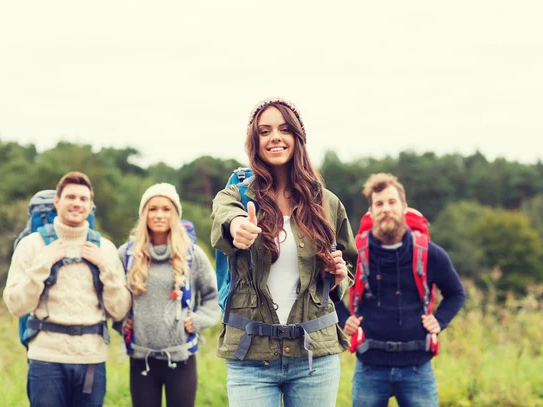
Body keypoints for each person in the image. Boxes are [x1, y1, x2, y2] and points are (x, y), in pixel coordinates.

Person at [211, 97, 358, 407]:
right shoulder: (235, 195)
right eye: (264, 131)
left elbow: (348, 271)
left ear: (297, 137)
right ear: (254, 141)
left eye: (283, 129)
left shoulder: (327, 203)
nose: (274, 137)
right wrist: (237, 226)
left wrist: (338, 274)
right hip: (250, 356)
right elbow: (224, 220)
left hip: (314, 356)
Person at [3, 171, 132, 407]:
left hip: (91, 359)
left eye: (83, 199)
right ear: (57, 201)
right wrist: (43, 263)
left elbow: (120, 310)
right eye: (70, 197)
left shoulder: (105, 248)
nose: (76, 203)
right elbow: (15, 304)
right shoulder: (32, 245)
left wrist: (105, 267)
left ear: (91, 205)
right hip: (46, 358)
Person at [339, 173, 466, 407]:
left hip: (417, 368)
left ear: (404, 207)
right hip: (370, 366)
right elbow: (327, 290)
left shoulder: (430, 253)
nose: (386, 209)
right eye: (379, 204)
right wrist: (343, 318)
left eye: (391, 202)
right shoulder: (355, 253)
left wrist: (439, 321)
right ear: (371, 211)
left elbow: (456, 293)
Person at [118, 183, 220, 407]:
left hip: (181, 359)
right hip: (141, 359)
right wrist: (120, 323)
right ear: (144, 214)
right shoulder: (127, 254)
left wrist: (198, 320)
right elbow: (113, 298)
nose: (159, 215)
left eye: (166, 209)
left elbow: (214, 296)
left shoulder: (192, 254)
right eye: (153, 209)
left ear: (175, 214)